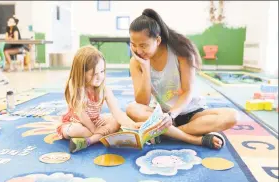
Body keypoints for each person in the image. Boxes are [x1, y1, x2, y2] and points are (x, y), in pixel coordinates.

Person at [126, 8, 239, 149]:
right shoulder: (136, 62)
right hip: (160, 115)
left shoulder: (181, 52)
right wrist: (145, 68)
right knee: (132, 109)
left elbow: (187, 91)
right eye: (133, 44)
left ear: (158, 40)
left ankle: (164, 133)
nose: (138, 50)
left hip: (190, 113)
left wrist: (171, 116)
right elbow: (142, 101)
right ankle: (191, 136)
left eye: (143, 45)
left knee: (232, 116)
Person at [57, 45, 142, 153]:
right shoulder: (75, 87)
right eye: (94, 74)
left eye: (102, 72)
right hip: (75, 122)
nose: (100, 77)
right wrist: (94, 129)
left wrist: (132, 125)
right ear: (81, 72)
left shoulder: (104, 89)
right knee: (76, 130)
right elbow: (81, 114)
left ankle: (89, 141)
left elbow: (117, 113)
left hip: (95, 121)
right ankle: (99, 136)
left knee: (116, 121)